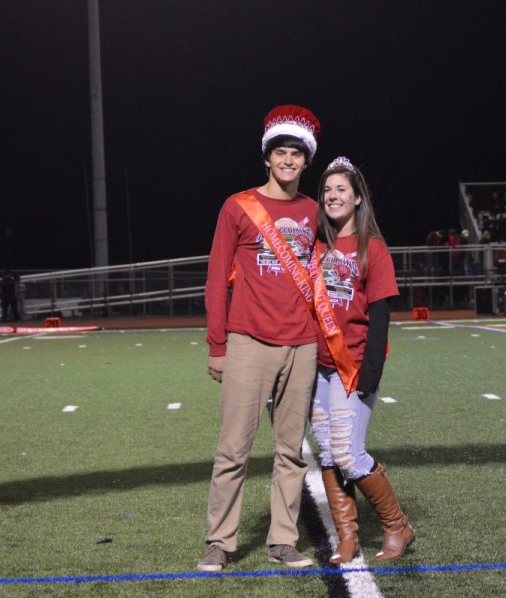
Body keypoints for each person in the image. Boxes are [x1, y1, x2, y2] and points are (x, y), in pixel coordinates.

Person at [197, 105, 321, 573]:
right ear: (267, 158)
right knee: (233, 449)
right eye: (281, 153)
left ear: (305, 162)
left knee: (291, 451)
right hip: (247, 340)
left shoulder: (313, 211)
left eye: (296, 154)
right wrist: (217, 345)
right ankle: (219, 542)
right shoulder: (238, 206)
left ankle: (283, 541)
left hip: (303, 342)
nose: (288, 160)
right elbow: (215, 279)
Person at [309, 156, 414, 564]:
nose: (333, 196)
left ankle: (396, 525)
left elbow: (382, 317)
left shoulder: (373, 248)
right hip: (314, 368)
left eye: (341, 190)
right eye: (327, 190)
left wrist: (371, 373)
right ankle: (347, 537)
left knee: (349, 453)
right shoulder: (316, 245)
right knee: (328, 453)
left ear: (356, 198)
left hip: (351, 366)